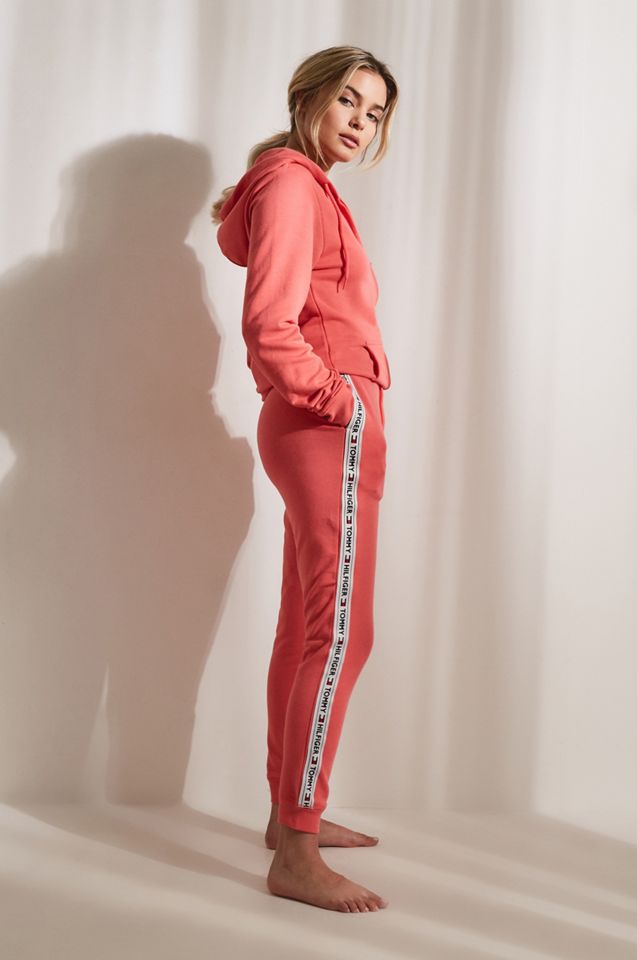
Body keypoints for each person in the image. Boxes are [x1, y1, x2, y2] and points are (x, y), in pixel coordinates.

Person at [211, 45, 399, 913]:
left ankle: (291, 817)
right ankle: (296, 846)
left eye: (376, 111)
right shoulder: (292, 184)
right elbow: (270, 323)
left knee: (306, 625)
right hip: (325, 421)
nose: (361, 121)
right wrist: (340, 403)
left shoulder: (300, 185)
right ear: (310, 97)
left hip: (316, 423)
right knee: (342, 632)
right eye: (349, 100)